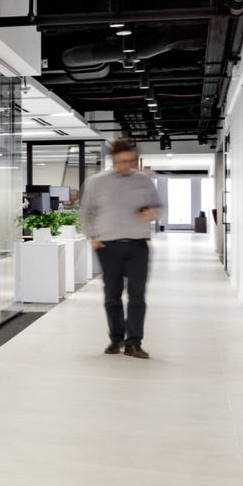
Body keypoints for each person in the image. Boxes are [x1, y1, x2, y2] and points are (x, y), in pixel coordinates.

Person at [79, 139, 163, 359]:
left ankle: (134, 343)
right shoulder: (96, 182)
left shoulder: (143, 180)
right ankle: (116, 339)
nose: (127, 165)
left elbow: (158, 206)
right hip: (108, 246)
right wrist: (91, 236)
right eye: (122, 161)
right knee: (112, 296)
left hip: (138, 244)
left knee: (137, 295)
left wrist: (152, 213)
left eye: (131, 161)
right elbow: (86, 211)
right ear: (112, 160)